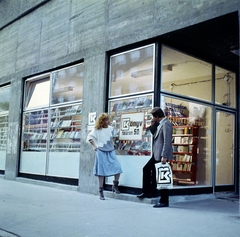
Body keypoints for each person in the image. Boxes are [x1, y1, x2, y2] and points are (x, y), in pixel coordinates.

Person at [137, 107, 173, 208]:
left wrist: (164, 155)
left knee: (162, 177)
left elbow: (167, 141)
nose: (153, 118)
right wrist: (152, 125)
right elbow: (155, 135)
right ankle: (148, 192)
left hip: (161, 155)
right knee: (149, 171)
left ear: (157, 116)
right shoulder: (160, 124)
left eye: (154, 116)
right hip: (156, 154)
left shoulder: (166, 124)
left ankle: (164, 201)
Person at [86, 113, 123, 200]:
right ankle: (100, 191)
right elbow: (89, 138)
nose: (108, 121)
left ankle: (115, 185)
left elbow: (112, 138)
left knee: (117, 167)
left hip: (110, 150)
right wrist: (94, 146)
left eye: (108, 120)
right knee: (101, 171)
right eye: (107, 120)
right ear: (102, 121)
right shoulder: (96, 129)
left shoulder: (111, 129)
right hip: (101, 151)